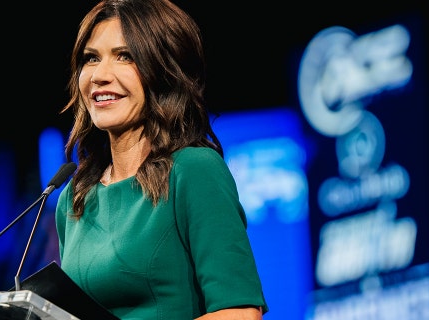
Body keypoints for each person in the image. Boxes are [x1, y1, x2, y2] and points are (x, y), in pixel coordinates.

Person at [55, 0, 269, 319]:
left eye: (125, 56)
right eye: (91, 58)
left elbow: (239, 312)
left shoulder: (194, 171)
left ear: (163, 70)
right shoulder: (74, 199)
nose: (99, 75)